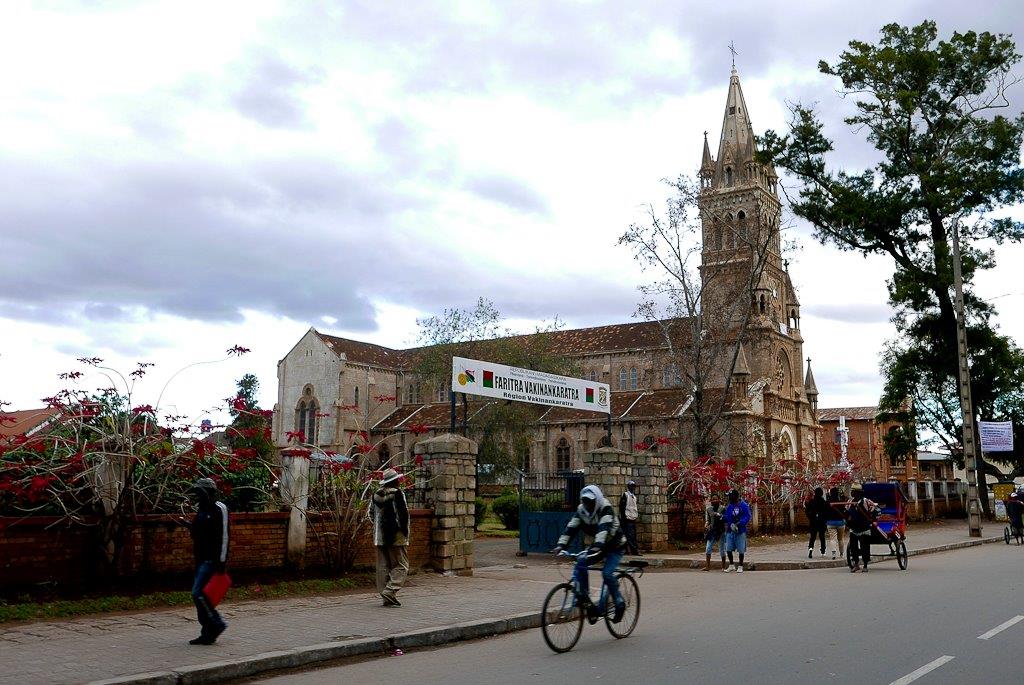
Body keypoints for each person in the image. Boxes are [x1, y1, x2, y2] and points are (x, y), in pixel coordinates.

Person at [553, 484, 627, 622]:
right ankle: (584, 597)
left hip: (615, 546)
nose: (588, 505)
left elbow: (603, 529)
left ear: (597, 499)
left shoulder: (605, 508)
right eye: (585, 501)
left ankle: (619, 602)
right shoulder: (581, 511)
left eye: (591, 502)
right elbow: (571, 528)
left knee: (607, 573)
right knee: (580, 561)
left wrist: (596, 547)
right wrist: (560, 545)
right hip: (598, 545)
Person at [186, 477, 229, 645]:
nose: (197, 495)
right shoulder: (201, 509)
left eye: (199, 492)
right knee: (202, 597)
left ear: (208, 492)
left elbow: (224, 536)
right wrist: (191, 527)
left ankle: (216, 624)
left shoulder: (220, 508)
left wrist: (222, 563)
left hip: (213, 560)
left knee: (198, 594)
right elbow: (198, 533)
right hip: (200, 558)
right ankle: (207, 632)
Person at [371, 468, 410, 607]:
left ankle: (385, 594)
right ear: (395, 481)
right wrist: (404, 532)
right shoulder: (398, 494)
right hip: (396, 536)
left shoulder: (375, 495)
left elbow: (371, 514)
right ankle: (390, 590)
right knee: (402, 565)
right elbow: (403, 515)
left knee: (383, 566)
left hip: (379, 536)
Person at [845, 488, 879, 573]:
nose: (852, 493)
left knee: (865, 547)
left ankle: (865, 565)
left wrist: (873, 520)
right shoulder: (850, 501)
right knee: (853, 547)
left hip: (864, 527)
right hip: (854, 528)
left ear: (858, 493)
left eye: (853, 491)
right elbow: (847, 511)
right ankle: (856, 564)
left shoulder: (866, 501)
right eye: (851, 491)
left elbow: (874, 510)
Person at [722, 489, 751, 573]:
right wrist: (723, 517)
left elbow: (747, 516)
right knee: (728, 548)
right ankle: (731, 565)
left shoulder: (744, 505)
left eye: (730, 496)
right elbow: (727, 516)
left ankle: (740, 565)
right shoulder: (730, 506)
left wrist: (741, 522)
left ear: (735, 496)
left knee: (741, 549)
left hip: (740, 530)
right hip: (730, 530)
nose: (729, 498)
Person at [703, 493, 727, 571]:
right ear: (711, 501)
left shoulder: (723, 508)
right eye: (713, 499)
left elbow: (726, 519)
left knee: (721, 549)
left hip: (720, 531)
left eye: (716, 499)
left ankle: (723, 567)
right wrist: (706, 524)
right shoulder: (709, 509)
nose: (714, 500)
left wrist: (720, 516)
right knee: (708, 548)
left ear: (719, 500)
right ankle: (707, 566)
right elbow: (708, 520)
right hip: (712, 531)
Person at [804, 487, 830, 559]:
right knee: (822, 537)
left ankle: (810, 550)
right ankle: (823, 551)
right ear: (821, 493)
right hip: (822, 522)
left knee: (812, 537)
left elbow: (807, 511)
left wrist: (811, 517)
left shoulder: (812, 502)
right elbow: (827, 512)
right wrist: (825, 519)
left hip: (813, 522)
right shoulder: (824, 502)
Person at [619, 480, 641, 555]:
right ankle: (634, 551)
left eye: (633, 486)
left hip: (632, 518)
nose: (633, 488)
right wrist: (624, 517)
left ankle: (626, 550)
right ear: (628, 487)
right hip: (627, 519)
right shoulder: (625, 495)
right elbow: (622, 507)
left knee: (631, 535)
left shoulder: (634, 497)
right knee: (630, 536)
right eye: (631, 486)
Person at [825, 487, 847, 560]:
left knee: (832, 538)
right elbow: (845, 510)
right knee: (840, 539)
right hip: (840, 522)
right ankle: (841, 553)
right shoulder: (841, 502)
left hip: (830, 522)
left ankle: (833, 553)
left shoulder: (828, 502)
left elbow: (826, 511)